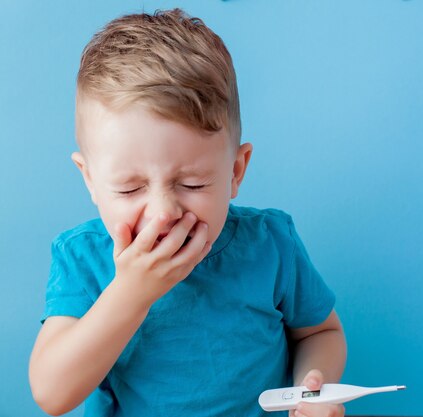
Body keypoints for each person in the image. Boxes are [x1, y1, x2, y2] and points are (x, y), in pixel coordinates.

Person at [28, 8, 347, 417]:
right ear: (89, 180)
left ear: (235, 171)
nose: (163, 213)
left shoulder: (271, 244)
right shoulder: (83, 259)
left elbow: (321, 332)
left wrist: (312, 390)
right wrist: (132, 292)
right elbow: (52, 394)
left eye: (192, 184)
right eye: (130, 188)